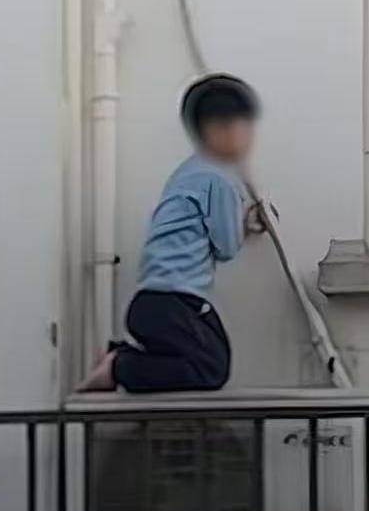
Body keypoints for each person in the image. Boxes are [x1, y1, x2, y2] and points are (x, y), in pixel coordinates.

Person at [79, 74, 258, 392]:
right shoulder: (219, 179)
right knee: (211, 369)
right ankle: (119, 366)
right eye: (242, 126)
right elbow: (226, 247)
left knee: (211, 360)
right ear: (218, 131)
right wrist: (244, 222)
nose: (248, 137)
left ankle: (121, 357)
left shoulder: (189, 171)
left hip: (156, 301)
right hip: (176, 300)